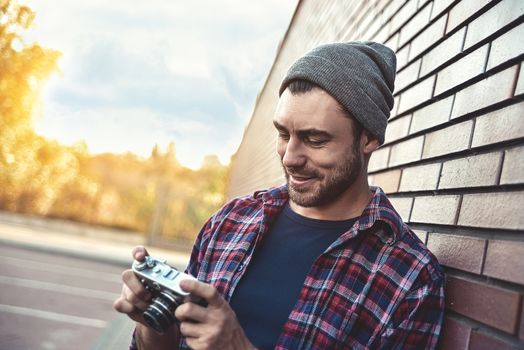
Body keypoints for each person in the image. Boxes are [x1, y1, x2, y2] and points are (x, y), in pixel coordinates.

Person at [113, 41, 445, 350]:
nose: (290, 157)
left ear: (369, 138)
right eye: (283, 134)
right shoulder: (231, 222)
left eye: (315, 140)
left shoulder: (409, 276)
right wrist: (153, 326)